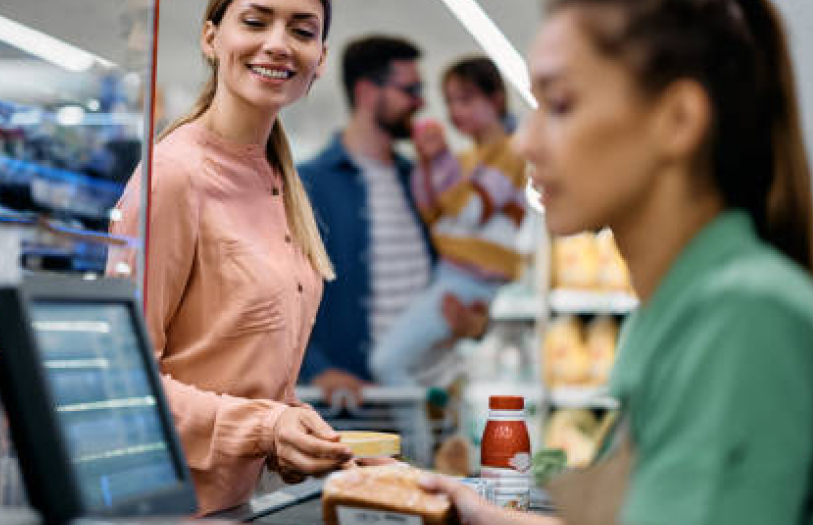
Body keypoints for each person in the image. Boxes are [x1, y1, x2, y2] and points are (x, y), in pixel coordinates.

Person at [419, 0, 813, 524]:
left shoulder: (740, 319)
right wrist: (478, 512)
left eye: (559, 105)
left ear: (677, 120)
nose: (525, 141)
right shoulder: (685, 305)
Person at [108, 0, 352, 515]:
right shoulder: (171, 176)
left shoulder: (278, 181)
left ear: (321, 57)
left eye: (301, 31)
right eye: (256, 21)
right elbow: (124, 385)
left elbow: (236, 370)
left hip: (238, 508)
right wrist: (266, 427)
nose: (279, 43)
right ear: (211, 38)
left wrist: (299, 436)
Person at [299, 36, 488, 403]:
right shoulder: (308, 185)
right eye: (410, 89)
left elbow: (463, 267)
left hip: (429, 401)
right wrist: (316, 369)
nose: (420, 102)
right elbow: (276, 302)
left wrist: (476, 322)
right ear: (368, 92)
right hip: (356, 415)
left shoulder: (419, 179)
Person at [369, 56, 534, 388]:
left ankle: (414, 436)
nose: (456, 110)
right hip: (454, 277)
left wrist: (440, 161)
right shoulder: (466, 159)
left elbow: (471, 211)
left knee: (387, 363)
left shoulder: (511, 154)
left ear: (496, 98)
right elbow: (432, 211)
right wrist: (430, 164)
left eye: (466, 98)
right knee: (412, 367)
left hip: (466, 279)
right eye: (450, 101)